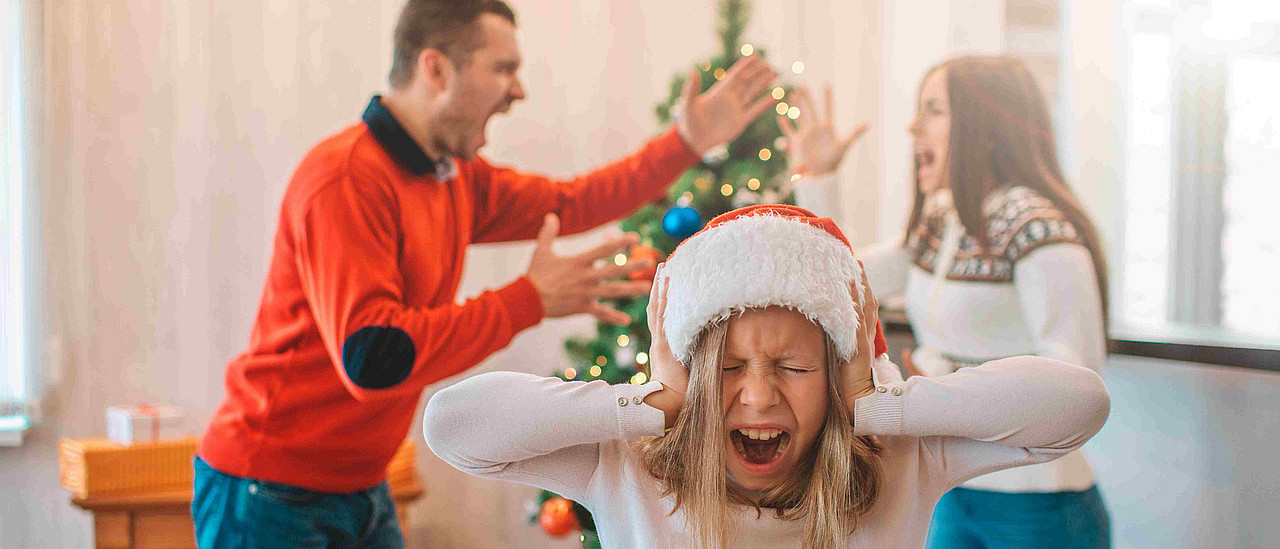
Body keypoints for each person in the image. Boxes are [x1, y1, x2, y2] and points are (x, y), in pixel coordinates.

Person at [191, 0, 780, 546]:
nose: (518, 91)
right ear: (436, 69)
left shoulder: (453, 178)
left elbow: (573, 202)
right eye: (503, 69)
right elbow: (373, 356)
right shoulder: (346, 180)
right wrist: (528, 300)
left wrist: (686, 141)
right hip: (267, 490)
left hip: (359, 485)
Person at [424, 204, 1110, 548]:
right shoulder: (628, 464)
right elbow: (453, 426)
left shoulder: (901, 457)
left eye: (793, 366)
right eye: (726, 368)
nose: (757, 394)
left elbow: (1077, 403)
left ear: (837, 368)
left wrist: (874, 405)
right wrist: (654, 401)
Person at [785, 56, 1113, 549]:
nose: (914, 126)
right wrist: (819, 178)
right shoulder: (942, 221)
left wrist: (940, 382)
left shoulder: (1038, 227)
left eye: (934, 110)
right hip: (953, 492)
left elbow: (1078, 380)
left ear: (986, 124)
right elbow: (839, 278)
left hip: (1038, 505)